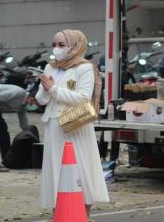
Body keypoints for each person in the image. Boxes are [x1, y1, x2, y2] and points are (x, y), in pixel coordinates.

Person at [36, 29, 109, 219]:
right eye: (54, 45)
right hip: (54, 126)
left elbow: (83, 98)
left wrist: (53, 90)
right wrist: (46, 91)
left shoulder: (84, 68)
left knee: (81, 170)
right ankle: (58, 215)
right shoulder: (50, 67)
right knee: (56, 172)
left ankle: (82, 215)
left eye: (62, 45)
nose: (56, 49)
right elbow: (40, 99)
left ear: (75, 46)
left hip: (76, 126)